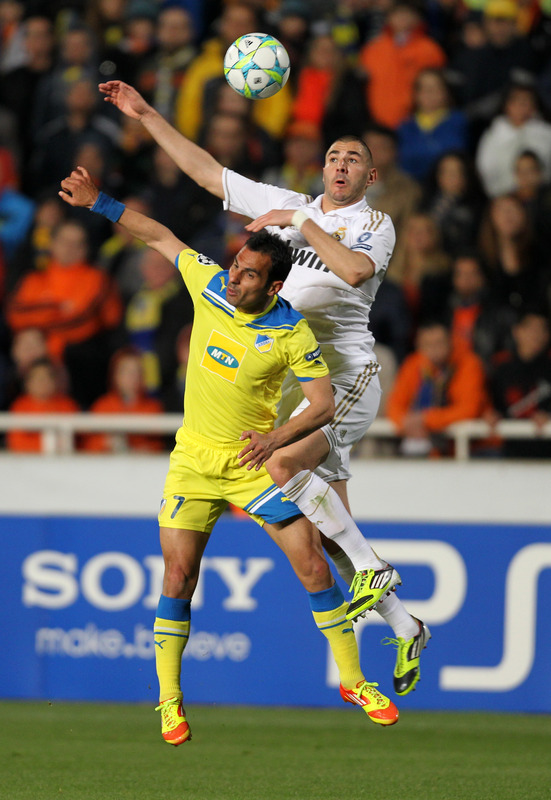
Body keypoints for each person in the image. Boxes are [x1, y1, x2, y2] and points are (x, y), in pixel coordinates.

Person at [98, 79, 431, 698]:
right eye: (333, 155)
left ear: (370, 175)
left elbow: (355, 272)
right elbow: (209, 174)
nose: (340, 164)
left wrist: (303, 221)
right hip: (299, 385)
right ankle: (406, 625)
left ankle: (375, 570)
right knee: (328, 532)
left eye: (353, 158)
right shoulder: (288, 203)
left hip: (347, 378)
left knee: (279, 461)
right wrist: (145, 114)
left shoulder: (373, 223)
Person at [60, 165, 400, 745]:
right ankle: (169, 701)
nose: (234, 278)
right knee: (178, 575)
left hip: (249, 466)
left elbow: (321, 404)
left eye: (249, 275)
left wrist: (275, 440)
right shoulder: (209, 284)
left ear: (275, 288)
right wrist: (101, 204)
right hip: (193, 461)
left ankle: (353, 680)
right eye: (236, 266)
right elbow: (161, 236)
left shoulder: (292, 331)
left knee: (313, 564)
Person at [386, 319, 488, 456]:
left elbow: (469, 409)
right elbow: (394, 406)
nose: (434, 350)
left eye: (439, 343)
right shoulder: (413, 364)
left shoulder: (468, 364)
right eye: (428, 344)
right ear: (419, 345)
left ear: (450, 341)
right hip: (426, 446)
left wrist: (425, 420)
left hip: (472, 447)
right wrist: (406, 423)